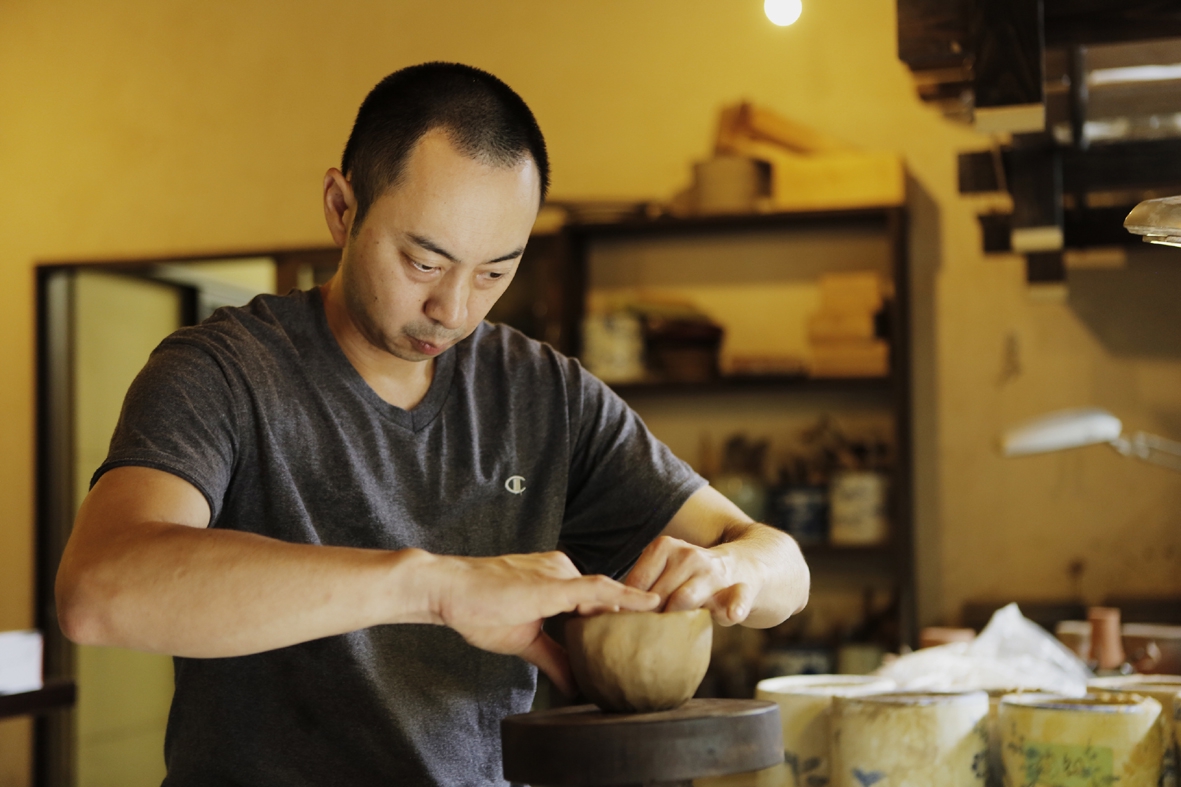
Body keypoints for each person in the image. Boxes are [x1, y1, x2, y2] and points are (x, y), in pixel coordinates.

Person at [56, 62, 810, 786]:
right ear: (341, 206)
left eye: (493, 272)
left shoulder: (544, 393)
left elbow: (781, 565)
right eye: (423, 262)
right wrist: (436, 588)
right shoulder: (224, 370)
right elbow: (102, 589)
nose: (454, 309)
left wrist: (729, 571)